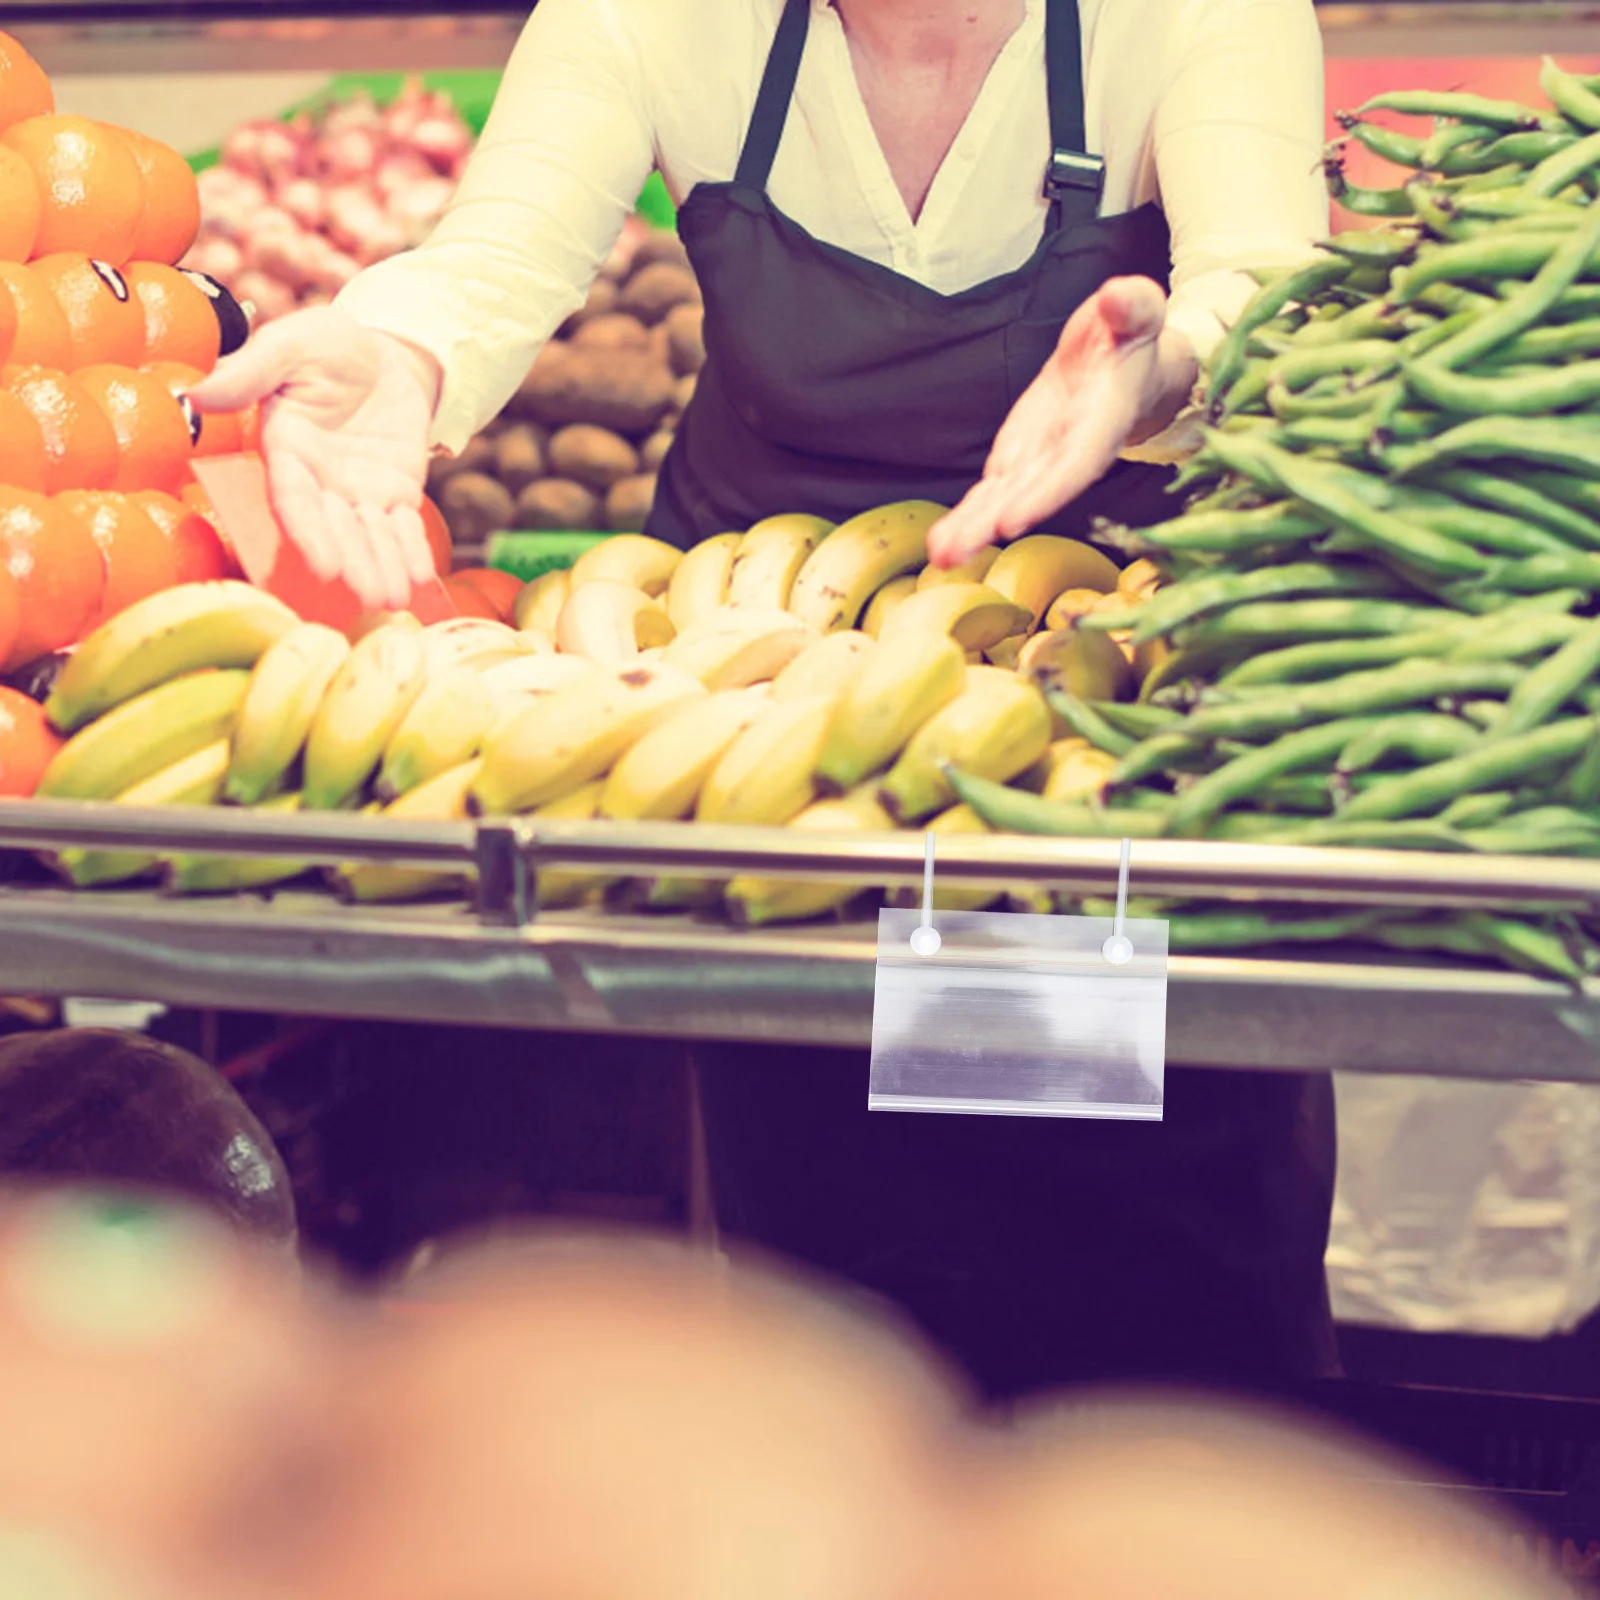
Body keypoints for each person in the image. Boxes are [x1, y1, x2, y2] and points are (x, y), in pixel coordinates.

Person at [192, 0, 1337, 1399]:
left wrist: (1163, 365)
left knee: (1118, 1232)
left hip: (1073, 697)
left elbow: (1270, 299)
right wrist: (403, 350)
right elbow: (492, 257)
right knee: (836, 1256)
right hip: (762, 701)